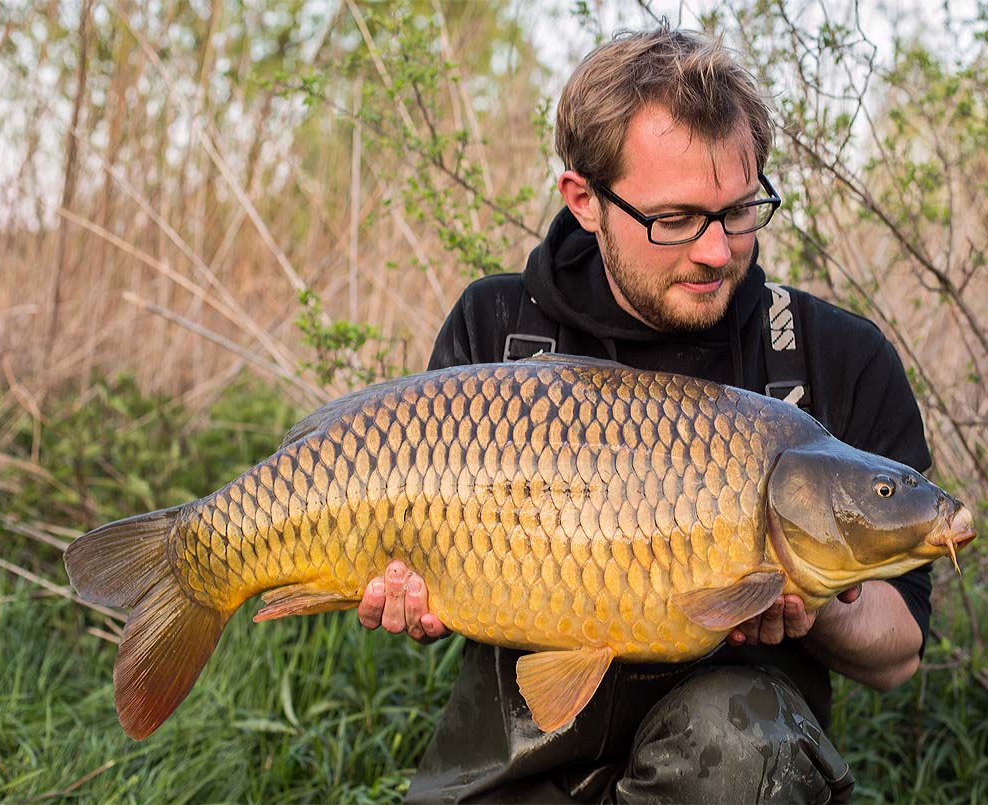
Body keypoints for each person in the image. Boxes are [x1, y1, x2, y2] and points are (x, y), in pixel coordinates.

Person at [356, 26, 933, 803]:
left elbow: (900, 651)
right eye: (676, 219)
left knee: (736, 740)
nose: (717, 252)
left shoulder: (835, 356)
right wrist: (410, 594)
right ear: (584, 200)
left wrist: (808, 597)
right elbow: (422, 563)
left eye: (738, 211)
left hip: (729, 775)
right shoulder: (493, 328)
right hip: (518, 764)